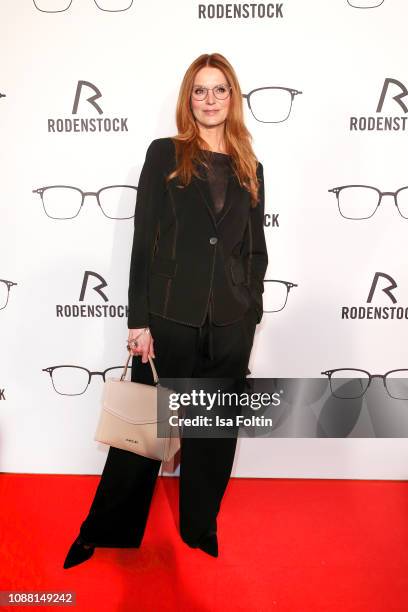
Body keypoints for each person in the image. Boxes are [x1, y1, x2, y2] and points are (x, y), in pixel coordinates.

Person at [63, 52, 268, 569]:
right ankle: (102, 531)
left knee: (214, 434)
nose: (210, 99)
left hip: (228, 325)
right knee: (140, 437)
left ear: (233, 97)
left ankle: (201, 527)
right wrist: (138, 320)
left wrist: (251, 311)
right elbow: (143, 243)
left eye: (220, 89)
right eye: (200, 90)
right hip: (170, 320)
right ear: (188, 99)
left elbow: (255, 249)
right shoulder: (164, 154)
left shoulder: (251, 166)